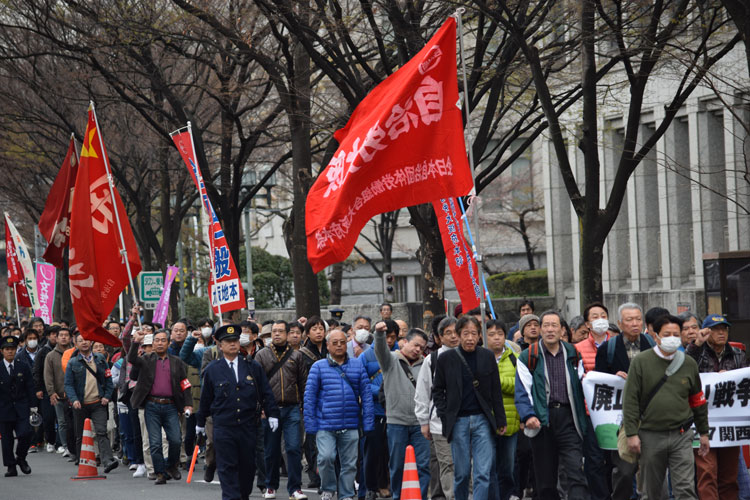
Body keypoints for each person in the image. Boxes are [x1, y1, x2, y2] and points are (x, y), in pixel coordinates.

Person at [623, 314, 710, 500]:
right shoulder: (641, 362)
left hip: (681, 435)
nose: (672, 338)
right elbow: (630, 400)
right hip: (650, 435)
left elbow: (697, 400)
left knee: (685, 488)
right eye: (667, 334)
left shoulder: (688, 363)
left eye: (675, 334)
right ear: (656, 336)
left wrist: (704, 433)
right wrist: (631, 434)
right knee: (652, 491)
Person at [198, 324, 279, 500]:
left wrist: (272, 414)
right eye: (228, 341)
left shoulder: (252, 367)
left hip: (248, 426)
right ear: (220, 345)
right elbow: (205, 399)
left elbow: (265, 392)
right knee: (227, 467)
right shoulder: (213, 370)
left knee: (247, 468)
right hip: (224, 426)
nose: (232, 344)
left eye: (235, 340)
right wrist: (199, 423)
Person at [515, 311, 588, 500]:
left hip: (569, 419)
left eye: (554, 325)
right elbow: (522, 390)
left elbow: (584, 383)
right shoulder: (527, 356)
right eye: (545, 325)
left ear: (562, 329)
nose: (549, 329)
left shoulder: (573, 354)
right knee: (545, 481)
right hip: (542, 421)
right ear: (540, 329)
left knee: (576, 472)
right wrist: (528, 415)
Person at [433, 316, 507, 500]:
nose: (470, 338)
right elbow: (437, 391)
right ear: (459, 335)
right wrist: (444, 416)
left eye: (474, 333)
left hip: (482, 420)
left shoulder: (487, 356)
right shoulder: (446, 358)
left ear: (479, 336)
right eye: (465, 333)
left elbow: (495, 390)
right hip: (458, 421)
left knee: (482, 473)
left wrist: (500, 419)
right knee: (462, 473)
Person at [304, 329, 374, 500]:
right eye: (334, 343)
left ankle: (347, 494)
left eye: (342, 342)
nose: (339, 346)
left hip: (350, 423)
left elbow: (366, 396)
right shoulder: (318, 367)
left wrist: (368, 423)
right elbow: (309, 398)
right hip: (325, 424)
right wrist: (311, 425)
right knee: (326, 458)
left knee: (350, 464)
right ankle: (328, 488)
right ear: (327, 346)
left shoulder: (357, 365)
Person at [594, 302, 655, 500]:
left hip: (652, 417)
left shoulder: (652, 345)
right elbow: (599, 381)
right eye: (629, 320)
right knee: (624, 470)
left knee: (652, 471)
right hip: (622, 419)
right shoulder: (608, 349)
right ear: (620, 323)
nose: (635, 324)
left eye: (638, 319)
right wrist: (614, 375)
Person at [686, 314, 747, 500]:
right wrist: (696, 344)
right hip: (703, 423)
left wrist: (728, 377)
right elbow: (684, 368)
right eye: (716, 329)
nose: (721, 333)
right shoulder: (697, 354)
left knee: (729, 476)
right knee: (707, 473)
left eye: (724, 329)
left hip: (730, 422)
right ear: (706, 331)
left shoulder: (738, 355)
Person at [128, 327, 193, 485]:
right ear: (153, 342)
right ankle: (160, 473)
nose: (159, 343)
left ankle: (171, 466)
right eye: (157, 340)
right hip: (151, 405)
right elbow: (132, 359)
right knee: (155, 443)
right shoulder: (146, 359)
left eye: (163, 340)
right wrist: (136, 341)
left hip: (171, 406)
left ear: (169, 342)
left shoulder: (177, 362)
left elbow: (185, 384)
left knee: (176, 440)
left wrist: (188, 405)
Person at [374, 322, 430, 500]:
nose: (418, 350)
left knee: (423, 465)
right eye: (415, 345)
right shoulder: (390, 360)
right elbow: (380, 350)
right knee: (397, 465)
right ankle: (398, 496)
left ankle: (418, 496)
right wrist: (379, 334)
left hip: (420, 424)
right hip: (396, 422)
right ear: (404, 342)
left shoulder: (427, 365)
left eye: (422, 347)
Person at [255, 320, 309, 500]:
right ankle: (271, 486)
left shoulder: (297, 356)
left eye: (280, 331)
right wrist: (261, 407)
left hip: (292, 408)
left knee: (294, 448)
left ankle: (295, 488)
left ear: (287, 334)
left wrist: (303, 406)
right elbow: (256, 385)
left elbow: (303, 383)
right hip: (270, 409)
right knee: (271, 450)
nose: (276, 334)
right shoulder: (261, 355)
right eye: (274, 331)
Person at [414, 316, 458, 500]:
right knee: (447, 464)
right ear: (439, 337)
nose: (453, 336)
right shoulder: (432, 359)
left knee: (466, 464)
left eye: (457, 332)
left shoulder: (472, 355)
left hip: (468, 420)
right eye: (448, 333)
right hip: (439, 423)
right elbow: (423, 393)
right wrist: (424, 421)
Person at [64, 332, 118, 472]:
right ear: (76, 343)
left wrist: (107, 396)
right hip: (80, 404)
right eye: (80, 340)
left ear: (91, 342)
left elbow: (108, 380)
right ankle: (82, 460)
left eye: (86, 340)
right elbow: (68, 384)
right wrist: (74, 399)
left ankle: (107, 461)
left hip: (98, 403)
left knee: (101, 431)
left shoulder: (100, 359)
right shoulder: (73, 362)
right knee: (81, 434)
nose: (84, 343)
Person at [361, 319, 399, 500]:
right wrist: (384, 392)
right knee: (373, 451)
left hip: (395, 411)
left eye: (392, 337)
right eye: (386, 336)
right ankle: (371, 486)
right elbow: (361, 384)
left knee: (390, 451)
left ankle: (387, 484)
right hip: (374, 411)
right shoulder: (366, 356)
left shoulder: (400, 353)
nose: (389, 341)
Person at [484, 320, 520, 500]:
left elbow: (519, 387)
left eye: (500, 334)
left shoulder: (514, 358)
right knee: (488, 467)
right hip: (486, 421)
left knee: (507, 467)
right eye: (491, 334)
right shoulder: (481, 358)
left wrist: (495, 382)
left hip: (510, 420)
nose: (496, 338)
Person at [0, 335, 36, 476]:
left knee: (26, 433)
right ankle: (10, 466)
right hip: (4, 408)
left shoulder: (22, 366)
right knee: (7, 439)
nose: (10, 352)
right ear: (2, 351)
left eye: (13, 349)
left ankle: (21, 458)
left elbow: (30, 387)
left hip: (22, 407)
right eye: (7, 349)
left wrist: (34, 406)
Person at [299, 316, 328, 490]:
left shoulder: (331, 349)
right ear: (308, 333)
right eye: (314, 329)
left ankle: (326, 475)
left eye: (321, 329)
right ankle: (314, 474)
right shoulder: (302, 354)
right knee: (311, 440)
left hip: (330, 401)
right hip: (310, 401)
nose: (318, 332)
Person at [43, 326, 75, 458]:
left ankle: (74, 446)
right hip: (58, 394)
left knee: (73, 422)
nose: (63, 337)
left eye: (66, 335)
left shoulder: (75, 353)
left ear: (70, 338)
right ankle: (65, 446)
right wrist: (51, 392)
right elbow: (48, 375)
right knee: (61, 422)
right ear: (56, 338)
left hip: (73, 395)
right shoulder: (50, 355)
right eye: (60, 335)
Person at [32, 325, 58, 453]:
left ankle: (60, 443)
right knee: (48, 417)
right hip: (46, 389)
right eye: (52, 334)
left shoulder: (68, 351)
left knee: (62, 418)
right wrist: (38, 388)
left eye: (57, 334)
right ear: (48, 336)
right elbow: (36, 371)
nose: (55, 336)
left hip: (62, 389)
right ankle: (50, 440)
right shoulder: (43, 351)